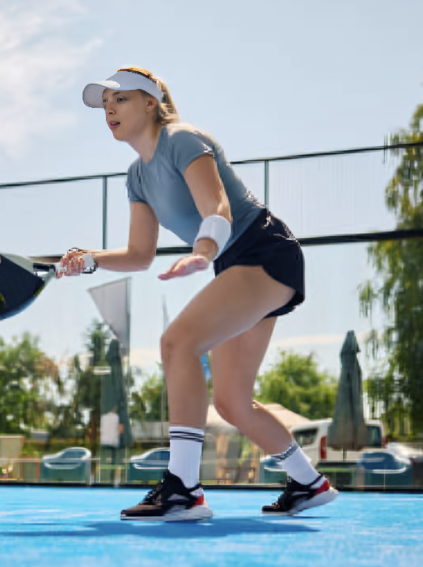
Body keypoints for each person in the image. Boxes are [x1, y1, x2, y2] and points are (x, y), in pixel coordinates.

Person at [59, 67, 338, 521]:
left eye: (120, 99)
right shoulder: (136, 177)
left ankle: (183, 490)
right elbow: (139, 254)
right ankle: (309, 482)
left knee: (177, 343)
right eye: (104, 102)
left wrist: (203, 251)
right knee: (230, 401)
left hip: (263, 249)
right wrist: (89, 259)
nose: (108, 108)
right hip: (233, 262)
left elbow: (218, 207)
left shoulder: (182, 139)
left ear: (151, 102)